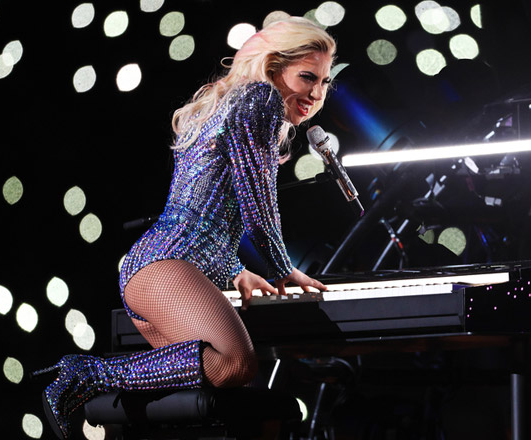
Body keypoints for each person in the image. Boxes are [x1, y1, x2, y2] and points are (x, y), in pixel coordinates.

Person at [33, 17, 334, 439]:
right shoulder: (260, 98)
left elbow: (203, 208)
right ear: (273, 66)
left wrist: (235, 270)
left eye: (324, 82)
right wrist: (283, 267)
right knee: (236, 363)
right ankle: (86, 373)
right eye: (307, 77)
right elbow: (256, 207)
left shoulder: (233, 102)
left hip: (155, 269)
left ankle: (89, 376)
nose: (317, 93)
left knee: (225, 381)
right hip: (166, 267)